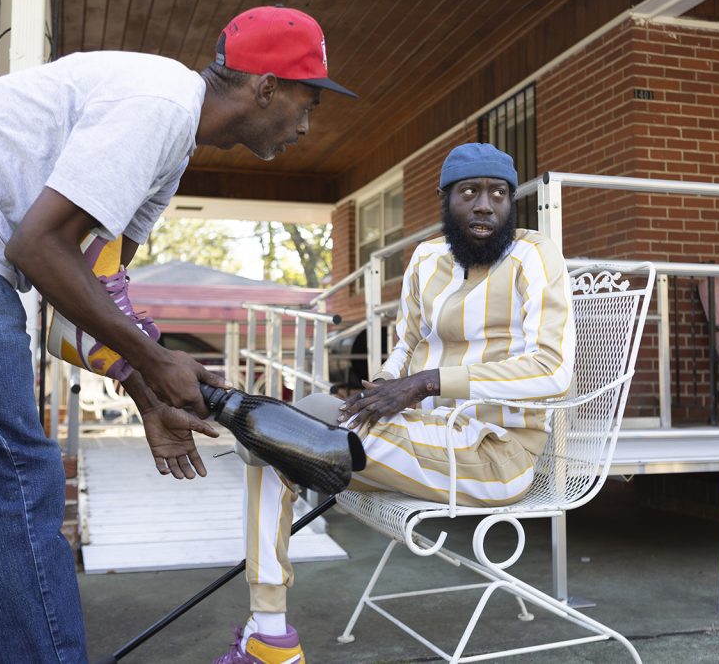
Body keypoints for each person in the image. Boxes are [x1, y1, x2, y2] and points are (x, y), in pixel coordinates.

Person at [0, 5, 355, 663]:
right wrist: (154, 360)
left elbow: (95, 286)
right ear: (266, 86)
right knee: (11, 483)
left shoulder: (169, 145)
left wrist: (147, 388)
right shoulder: (159, 104)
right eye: (307, 103)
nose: (306, 125)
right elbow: (39, 248)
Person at [214, 143, 575, 664]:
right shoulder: (426, 258)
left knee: (281, 437)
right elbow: (405, 345)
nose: (484, 205)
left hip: (495, 455)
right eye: (469, 192)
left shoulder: (533, 256)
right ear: (445, 199)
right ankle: (269, 632)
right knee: (289, 432)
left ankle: (247, 428)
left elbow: (553, 370)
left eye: (498, 193)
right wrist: (382, 388)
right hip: (420, 436)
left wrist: (428, 382)